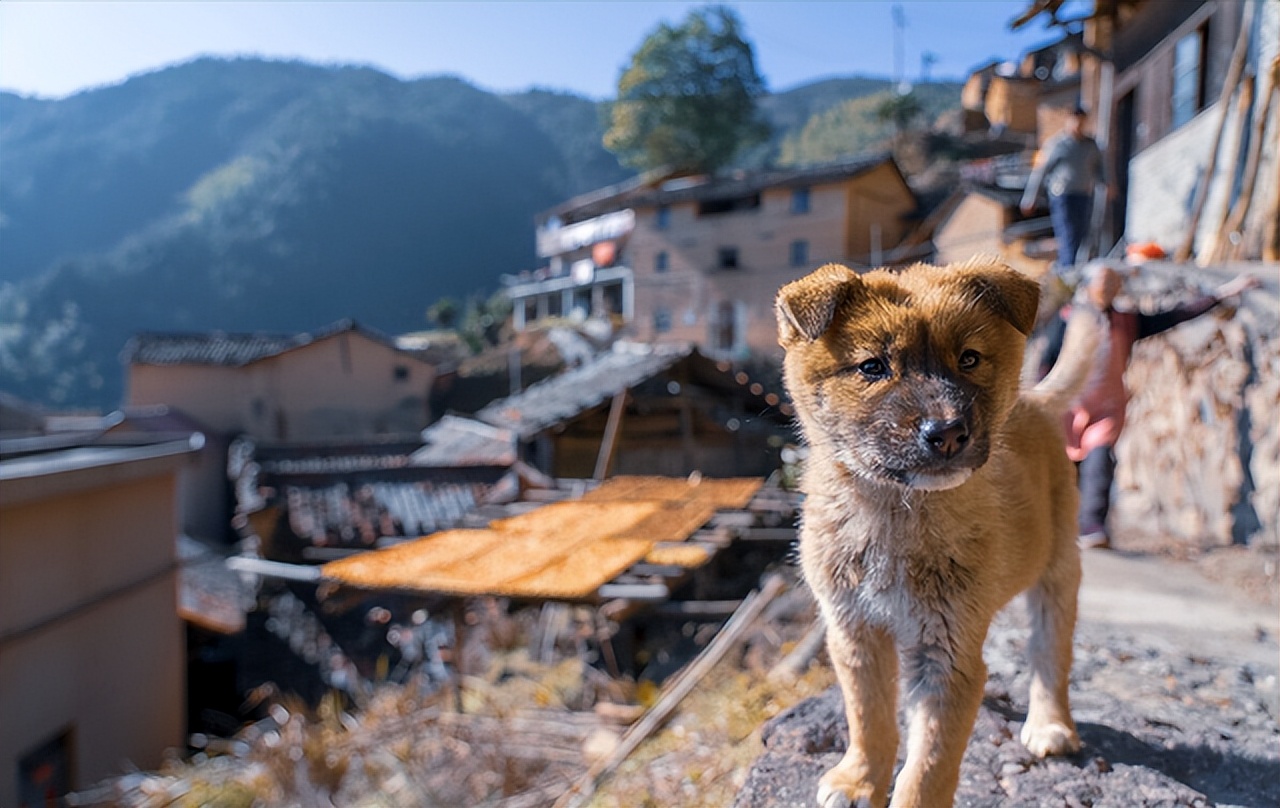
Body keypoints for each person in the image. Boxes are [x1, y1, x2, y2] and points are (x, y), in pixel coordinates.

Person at [1040, 262, 1261, 548]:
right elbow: (1047, 361)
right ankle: (1054, 526)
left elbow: (1175, 316)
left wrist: (1223, 294)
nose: (1107, 290)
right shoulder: (1069, 319)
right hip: (1068, 406)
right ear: (1090, 286)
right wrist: (1041, 400)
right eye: (1102, 284)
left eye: (1112, 285)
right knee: (1062, 469)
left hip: (1106, 408)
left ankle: (1092, 526)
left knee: (1099, 463)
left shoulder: (1126, 322)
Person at [1021, 106, 1106, 271]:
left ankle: (1073, 268)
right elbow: (1041, 172)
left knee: (1082, 234)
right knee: (1068, 233)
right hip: (1063, 196)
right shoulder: (1057, 144)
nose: (1078, 126)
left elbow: (1099, 167)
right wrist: (1031, 197)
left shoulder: (1090, 145)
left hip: (1084, 194)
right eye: (1075, 122)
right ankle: (1067, 270)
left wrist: (1106, 183)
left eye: (1082, 122)